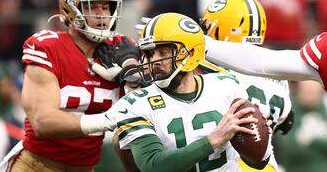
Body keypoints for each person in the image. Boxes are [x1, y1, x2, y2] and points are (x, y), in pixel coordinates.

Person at [0, 0, 139, 171]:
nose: (102, 15)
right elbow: (42, 121)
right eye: (92, 7)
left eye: (106, 7)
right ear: (71, 10)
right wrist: (105, 120)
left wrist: (134, 72)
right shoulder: (49, 48)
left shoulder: (121, 51)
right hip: (37, 166)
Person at [110, 12, 272, 171]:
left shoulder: (227, 86)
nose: (154, 60)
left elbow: (257, 164)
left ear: (191, 53)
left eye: (163, 52)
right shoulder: (135, 103)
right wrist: (214, 139)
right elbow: (153, 165)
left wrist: (260, 143)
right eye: (150, 54)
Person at [199, 0, 293, 172]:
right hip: (266, 165)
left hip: (228, 164)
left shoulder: (211, 71)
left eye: (206, 27)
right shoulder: (279, 74)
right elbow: (287, 120)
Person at [276, 80, 327, 172]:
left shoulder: (325, 109)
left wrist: (312, 141)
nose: (311, 96)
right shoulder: (288, 109)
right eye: (308, 92)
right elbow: (288, 147)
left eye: (314, 92)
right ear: (299, 90)